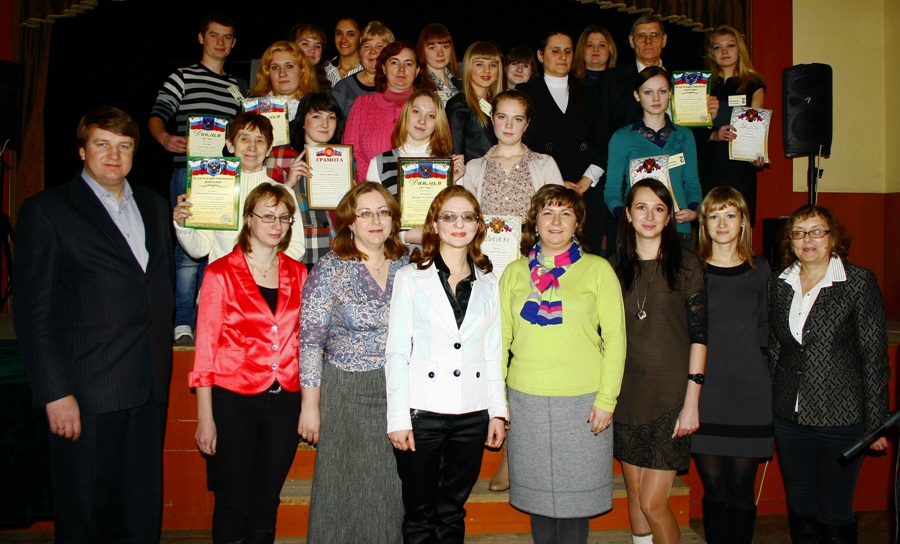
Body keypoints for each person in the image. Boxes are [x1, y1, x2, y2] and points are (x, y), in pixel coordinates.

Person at [15, 106, 174, 543]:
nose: (114, 155)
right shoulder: (47, 210)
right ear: (82, 150)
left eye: (124, 146)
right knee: (85, 517)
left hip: (148, 389)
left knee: (140, 515)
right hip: (85, 395)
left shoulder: (154, 205)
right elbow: (32, 313)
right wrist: (54, 392)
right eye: (102, 144)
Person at [500, 185, 626, 544]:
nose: (556, 222)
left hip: (583, 402)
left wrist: (607, 400)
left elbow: (616, 338)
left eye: (566, 213)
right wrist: (498, 400)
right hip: (526, 399)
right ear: (534, 221)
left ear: (577, 223)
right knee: (538, 502)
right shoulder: (513, 273)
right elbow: (500, 342)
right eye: (548, 213)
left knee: (576, 505)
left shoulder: (598, 269)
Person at [386, 185, 507, 543]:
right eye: (449, 217)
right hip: (422, 412)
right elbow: (397, 351)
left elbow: (492, 353)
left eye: (467, 217)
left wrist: (497, 413)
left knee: (452, 511)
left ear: (478, 226)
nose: (458, 224)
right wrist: (398, 418)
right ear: (435, 225)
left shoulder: (489, 283)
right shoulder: (410, 277)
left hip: (472, 412)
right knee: (420, 512)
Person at [191, 183, 307, 544]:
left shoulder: (298, 273)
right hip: (233, 400)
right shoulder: (220, 273)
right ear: (248, 219)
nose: (277, 225)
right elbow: (205, 350)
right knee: (233, 501)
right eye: (268, 216)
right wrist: (205, 417)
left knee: (266, 500)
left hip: (285, 400)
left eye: (284, 218)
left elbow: (303, 341)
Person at [769, 205, 889, 544]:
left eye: (817, 231)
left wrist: (876, 423)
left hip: (841, 417)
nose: (808, 240)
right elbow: (776, 348)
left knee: (834, 510)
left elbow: (873, 356)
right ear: (790, 241)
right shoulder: (779, 283)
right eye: (799, 233)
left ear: (833, 238)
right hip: (789, 417)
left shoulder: (858, 282)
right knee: (800, 505)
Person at [299, 182, 408, 543]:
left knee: (390, 486)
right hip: (346, 390)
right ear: (349, 221)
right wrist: (310, 407)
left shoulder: (407, 265)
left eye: (383, 212)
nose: (375, 221)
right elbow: (310, 341)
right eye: (365, 213)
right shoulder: (329, 269)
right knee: (342, 488)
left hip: (398, 389)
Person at [611, 179, 707, 544]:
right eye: (641, 207)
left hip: (671, 399)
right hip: (626, 397)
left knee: (653, 503)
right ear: (628, 215)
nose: (649, 216)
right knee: (636, 496)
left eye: (659, 209)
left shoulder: (687, 265)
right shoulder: (613, 268)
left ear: (668, 218)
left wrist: (692, 401)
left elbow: (700, 337)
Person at [149, 12, 244, 346]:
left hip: (225, 180)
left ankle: (207, 317)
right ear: (201, 38)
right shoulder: (182, 76)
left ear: (233, 43)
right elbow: (158, 115)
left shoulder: (239, 87)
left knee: (216, 249)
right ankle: (182, 324)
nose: (220, 42)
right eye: (214, 35)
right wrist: (164, 138)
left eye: (227, 37)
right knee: (188, 253)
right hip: (188, 174)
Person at [691, 187, 772, 544]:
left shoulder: (761, 269)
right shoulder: (692, 269)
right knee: (714, 489)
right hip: (705, 394)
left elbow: (768, 329)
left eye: (730, 215)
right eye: (713, 216)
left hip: (749, 395)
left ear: (743, 222)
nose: (722, 223)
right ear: (704, 224)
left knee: (741, 490)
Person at [516, 30, 610, 254]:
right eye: (555, 51)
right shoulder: (526, 92)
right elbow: (524, 143)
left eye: (568, 51)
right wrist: (556, 181)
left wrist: (588, 179)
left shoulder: (590, 92)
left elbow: (603, 139)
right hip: (545, 189)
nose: (563, 56)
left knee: (588, 255)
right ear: (540, 55)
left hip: (587, 188)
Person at [172, 112, 305, 265]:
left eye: (260, 141)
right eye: (244, 139)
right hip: (222, 278)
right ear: (230, 145)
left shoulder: (283, 192)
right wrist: (183, 227)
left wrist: (259, 270)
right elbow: (200, 250)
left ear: (269, 149)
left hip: (266, 278)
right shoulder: (214, 190)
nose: (252, 147)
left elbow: (296, 248)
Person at [604, 66, 702, 250]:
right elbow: (612, 189)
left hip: (678, 226)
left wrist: (694, 210)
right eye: (648, 92)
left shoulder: (685, 135)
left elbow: (692, 182)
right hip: (638, 230)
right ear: (637, 95)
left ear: (670, 94)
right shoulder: (621, 138)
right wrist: (624, 216)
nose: (656, 98)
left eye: (662, 91)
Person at [696, 26, 767, 224]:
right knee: (709, 221)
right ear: (711, 53)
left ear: (740, 49)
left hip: (740, 166)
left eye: (730, 46)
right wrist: (713, 134)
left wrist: (757, 155)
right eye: (718, 47)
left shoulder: (754, 84)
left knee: (739, 221)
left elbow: (757, 128)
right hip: (709, 161)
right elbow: (689, 131)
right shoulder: (699, 84)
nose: (724, 51)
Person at [458, 89, 564, 220]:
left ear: (527, 123)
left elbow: (558, 213)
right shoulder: (473, 168)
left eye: (517, 119)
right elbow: (468, 217)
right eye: (502, 117)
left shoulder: (545, 164)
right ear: (492, 118)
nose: (509, 125)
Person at [343, 41, 434, 182]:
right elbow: (351, 153)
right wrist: (372, 183)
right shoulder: (362, 104)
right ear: (384, 68)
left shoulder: (431, 106)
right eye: (395, 62)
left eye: (408, 64)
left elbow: (442, 147)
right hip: (371, 187)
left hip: (421, 187)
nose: (401, 69)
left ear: (417, 70)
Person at [285, 92, 345, 269]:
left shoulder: (346, 159)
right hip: (299, 249)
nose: (325, 124)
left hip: (340, 249)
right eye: (317, 116)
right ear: (302, 122)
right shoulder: (281, 155)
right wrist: (288, 185)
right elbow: (265, 206)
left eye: (331, 117)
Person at [365, 89, 461, 194]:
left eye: (431, 116)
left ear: (438, 123)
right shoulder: (379, 163)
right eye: (416, 111)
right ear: (405, 114)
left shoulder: (450, 165)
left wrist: (452, 183)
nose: (422, 121)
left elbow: (457, 204)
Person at [251, 41, 319, 187]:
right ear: (267, 73)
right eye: (275, 67)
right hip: (258, 184)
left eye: (289, 66)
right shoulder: (251, 109)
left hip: (305, 185)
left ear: (302, 70)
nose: (282, 73)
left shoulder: (317, 109)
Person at [445, 42, 502, 163]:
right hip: (472, 173)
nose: (487, 70)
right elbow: (455, 155)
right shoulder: (458, 106)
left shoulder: (500, 104)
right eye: (480, 64)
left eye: (493, 65)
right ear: (468, 67)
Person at [332, 21, 395, 116]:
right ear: (360, 52)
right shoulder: (342, 88)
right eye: (367, 46)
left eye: (379, 46)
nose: (373, 51)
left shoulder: (399, 87)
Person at [417, 23, 462, 104]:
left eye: (445, 47)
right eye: (433, 48)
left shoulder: (461, 82)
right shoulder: (418, 85)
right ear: (422, 50)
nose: (440, 53)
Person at [288, 23, 331, 91]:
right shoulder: (283, 78)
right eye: (305, 44)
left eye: (317, 46)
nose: (312, 50)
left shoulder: (328, 78)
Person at [325, 18, 363, 86]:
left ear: (360, 38)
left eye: (350, 34)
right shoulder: (323, 71)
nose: (343, 40)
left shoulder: (370, 71)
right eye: (339, 33)